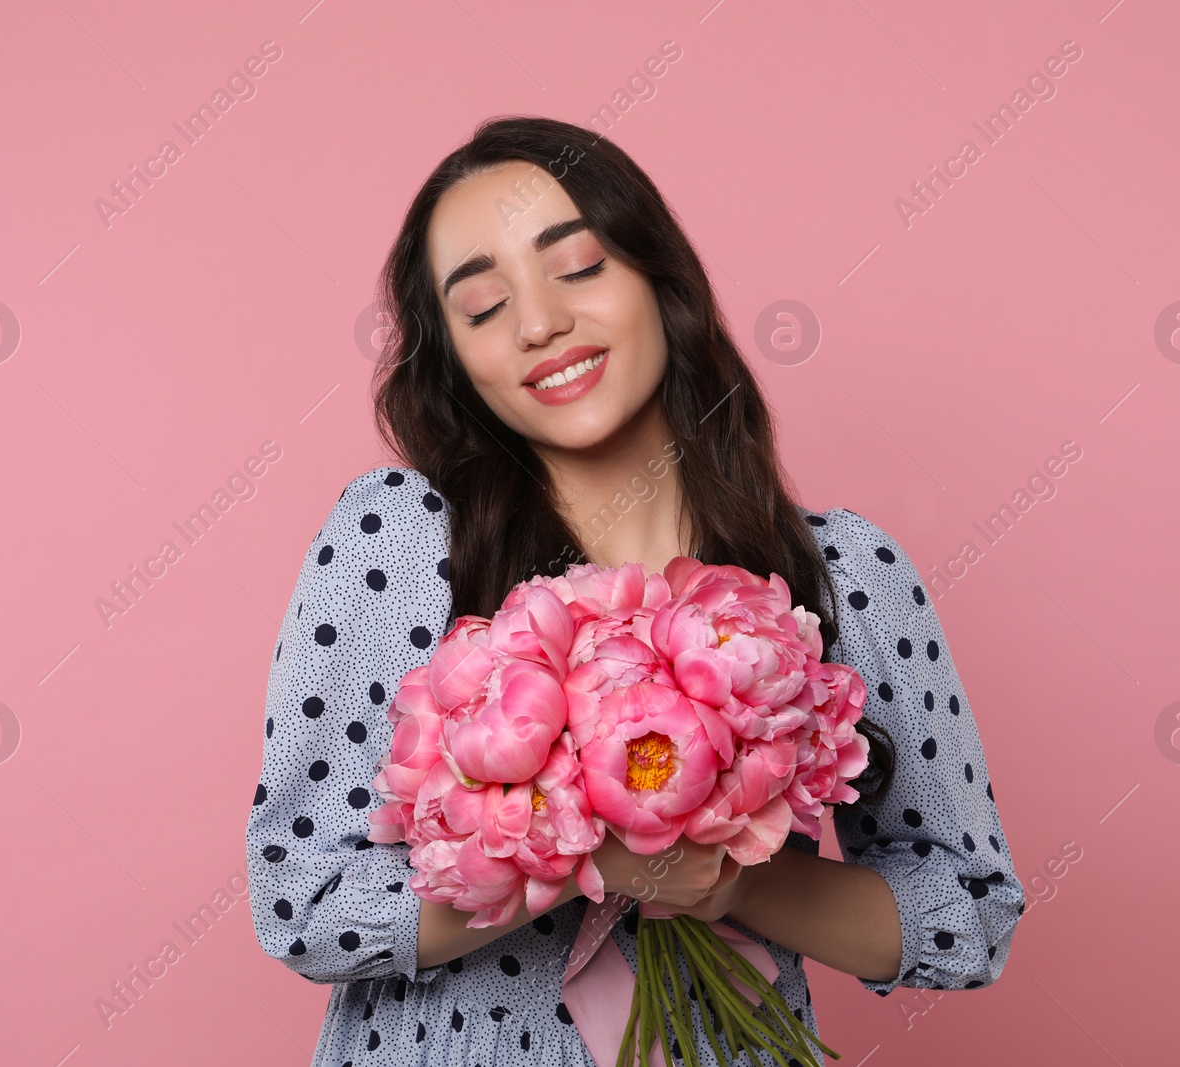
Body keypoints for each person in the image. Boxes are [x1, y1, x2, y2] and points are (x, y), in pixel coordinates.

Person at [245, 115, 1024, 1067]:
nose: (539, 325)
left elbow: (969, 912)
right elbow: (304, 901)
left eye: (578, 268)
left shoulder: (844, 575)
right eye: (484, 308)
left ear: (661, 276)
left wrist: (728, 884)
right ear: (457, 364)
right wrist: (578, 856)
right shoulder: (402, 539)